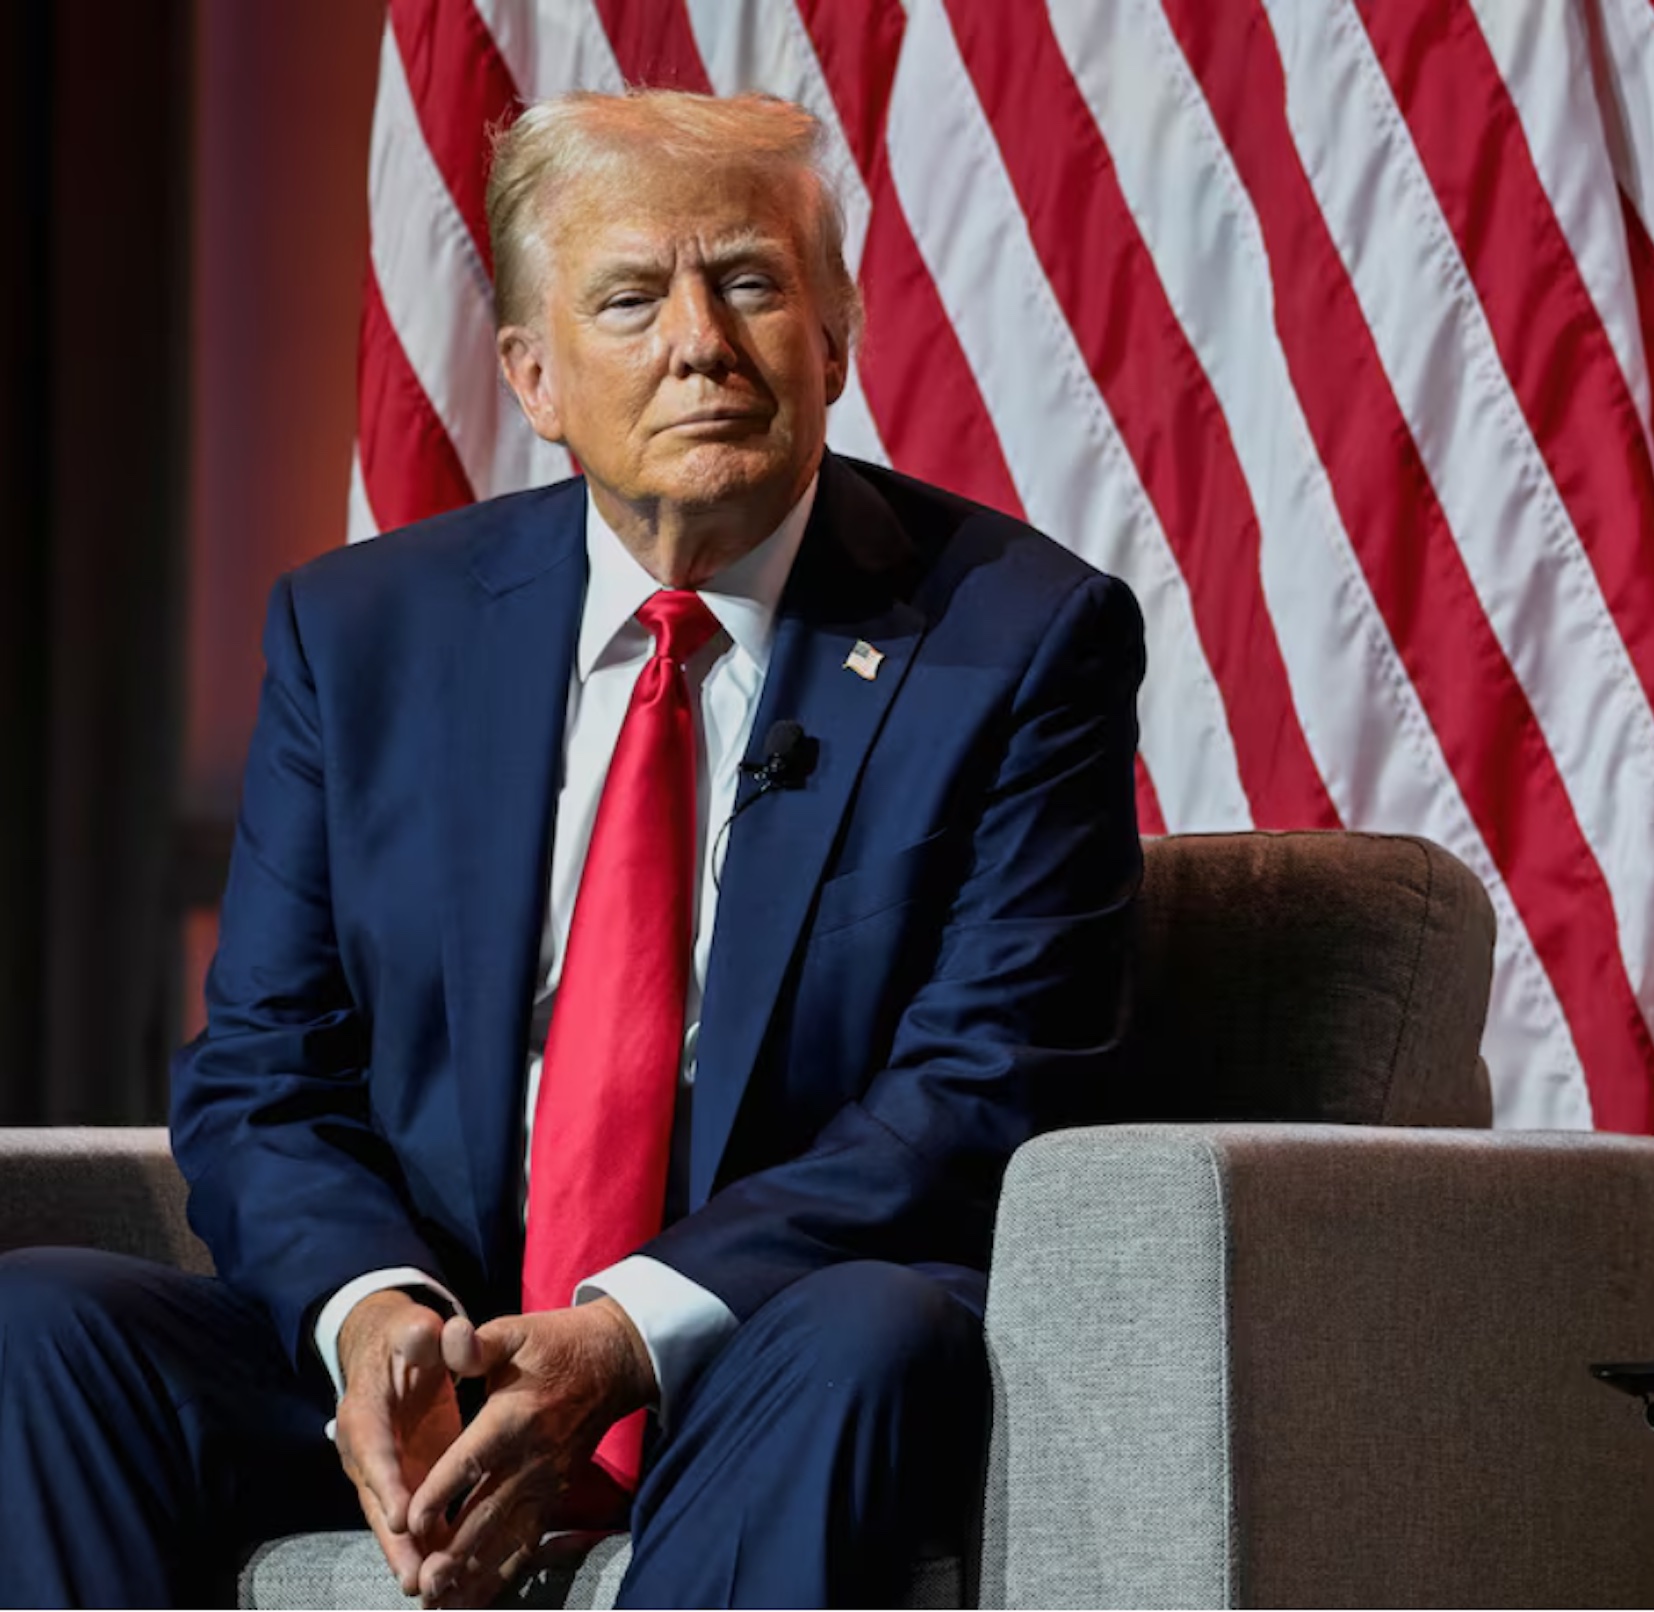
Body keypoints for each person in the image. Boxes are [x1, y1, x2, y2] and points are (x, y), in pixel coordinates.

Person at [0, 89, 1142, 1609]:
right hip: (447, 1353)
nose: (699, 343)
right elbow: (263, 1068)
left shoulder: (1016, 640)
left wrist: (623, 1332)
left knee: (868, 1331)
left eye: (748, 282)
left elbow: (987, 1081)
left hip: (757, 1352)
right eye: (630, 298)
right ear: (534, 378)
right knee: (44, 1331)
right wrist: (373, 1316)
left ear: (836, 340)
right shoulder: (364, 635)